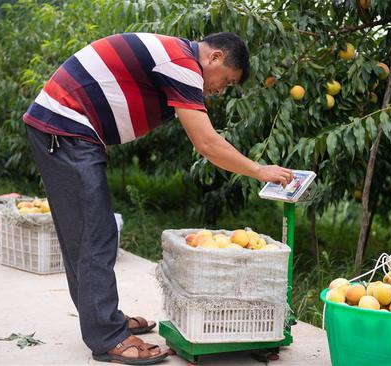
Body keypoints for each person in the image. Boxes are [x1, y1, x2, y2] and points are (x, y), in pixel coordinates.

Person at [22, 32, 293, 365]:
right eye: (227, 82)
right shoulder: (182, 64)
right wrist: (258, 170)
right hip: (65, 127)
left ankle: (104, 320)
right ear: (216, 58)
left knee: (88, 233)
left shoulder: (176, 60)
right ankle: (108, 337)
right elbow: (206, 143)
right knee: (94, 234)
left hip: (68, 129)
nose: (221, 91)